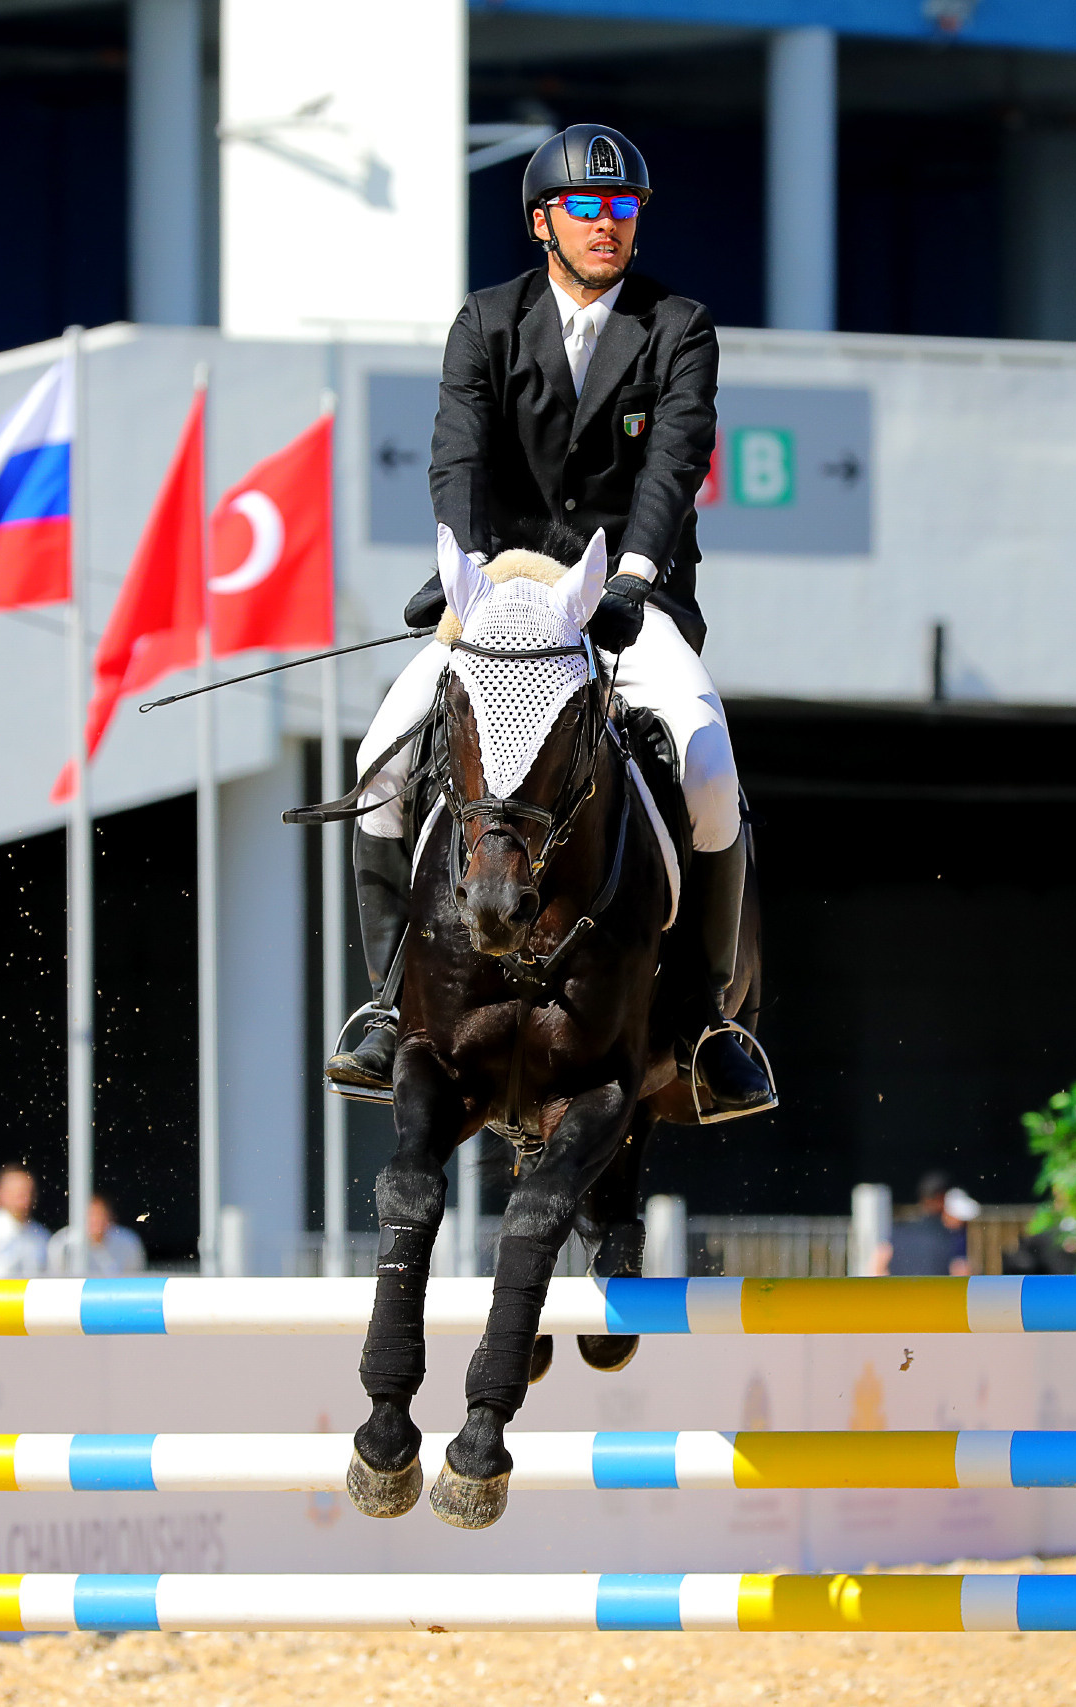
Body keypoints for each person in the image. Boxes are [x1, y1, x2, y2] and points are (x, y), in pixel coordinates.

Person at [326, 121, 773, 1120]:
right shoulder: (483, 322)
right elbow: (457, 456)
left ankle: (706, 1027)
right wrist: (465, 568)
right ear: (543, 221)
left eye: (624, 209)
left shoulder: (677, 326)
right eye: (588, 208)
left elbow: (674, 464)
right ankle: (388, 1009)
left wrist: (636, 574)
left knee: (705, 765)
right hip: (501, 597)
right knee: (381, 768)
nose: (609, 224)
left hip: (627, 593)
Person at [880, 1172, 979, 1277]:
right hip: (937, 1293)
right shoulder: (950, 1237)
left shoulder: (898, 1232)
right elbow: (961, 1272)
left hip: (900, 1292)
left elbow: (878, 1266)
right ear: (942, 1198)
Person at [47, 1192, 148, 1278]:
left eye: (100, 1215)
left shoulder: (129, 1242)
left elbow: (135, 1280)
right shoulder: (62, 1244)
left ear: (110, 1216)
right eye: (92, 1215)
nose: (96, 1221)